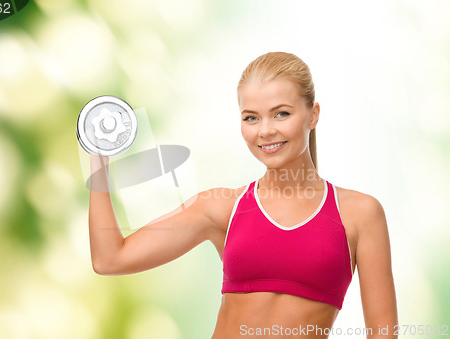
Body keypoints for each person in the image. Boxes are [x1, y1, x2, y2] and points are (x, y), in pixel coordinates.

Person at [87, 52, 398, 338]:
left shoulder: (359, 214)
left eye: (281, 114)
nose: (264, 131)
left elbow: (383, 332)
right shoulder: (221, 207)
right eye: (251, 117)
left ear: (313, 115)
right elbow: (110, 259)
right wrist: (97, 154)